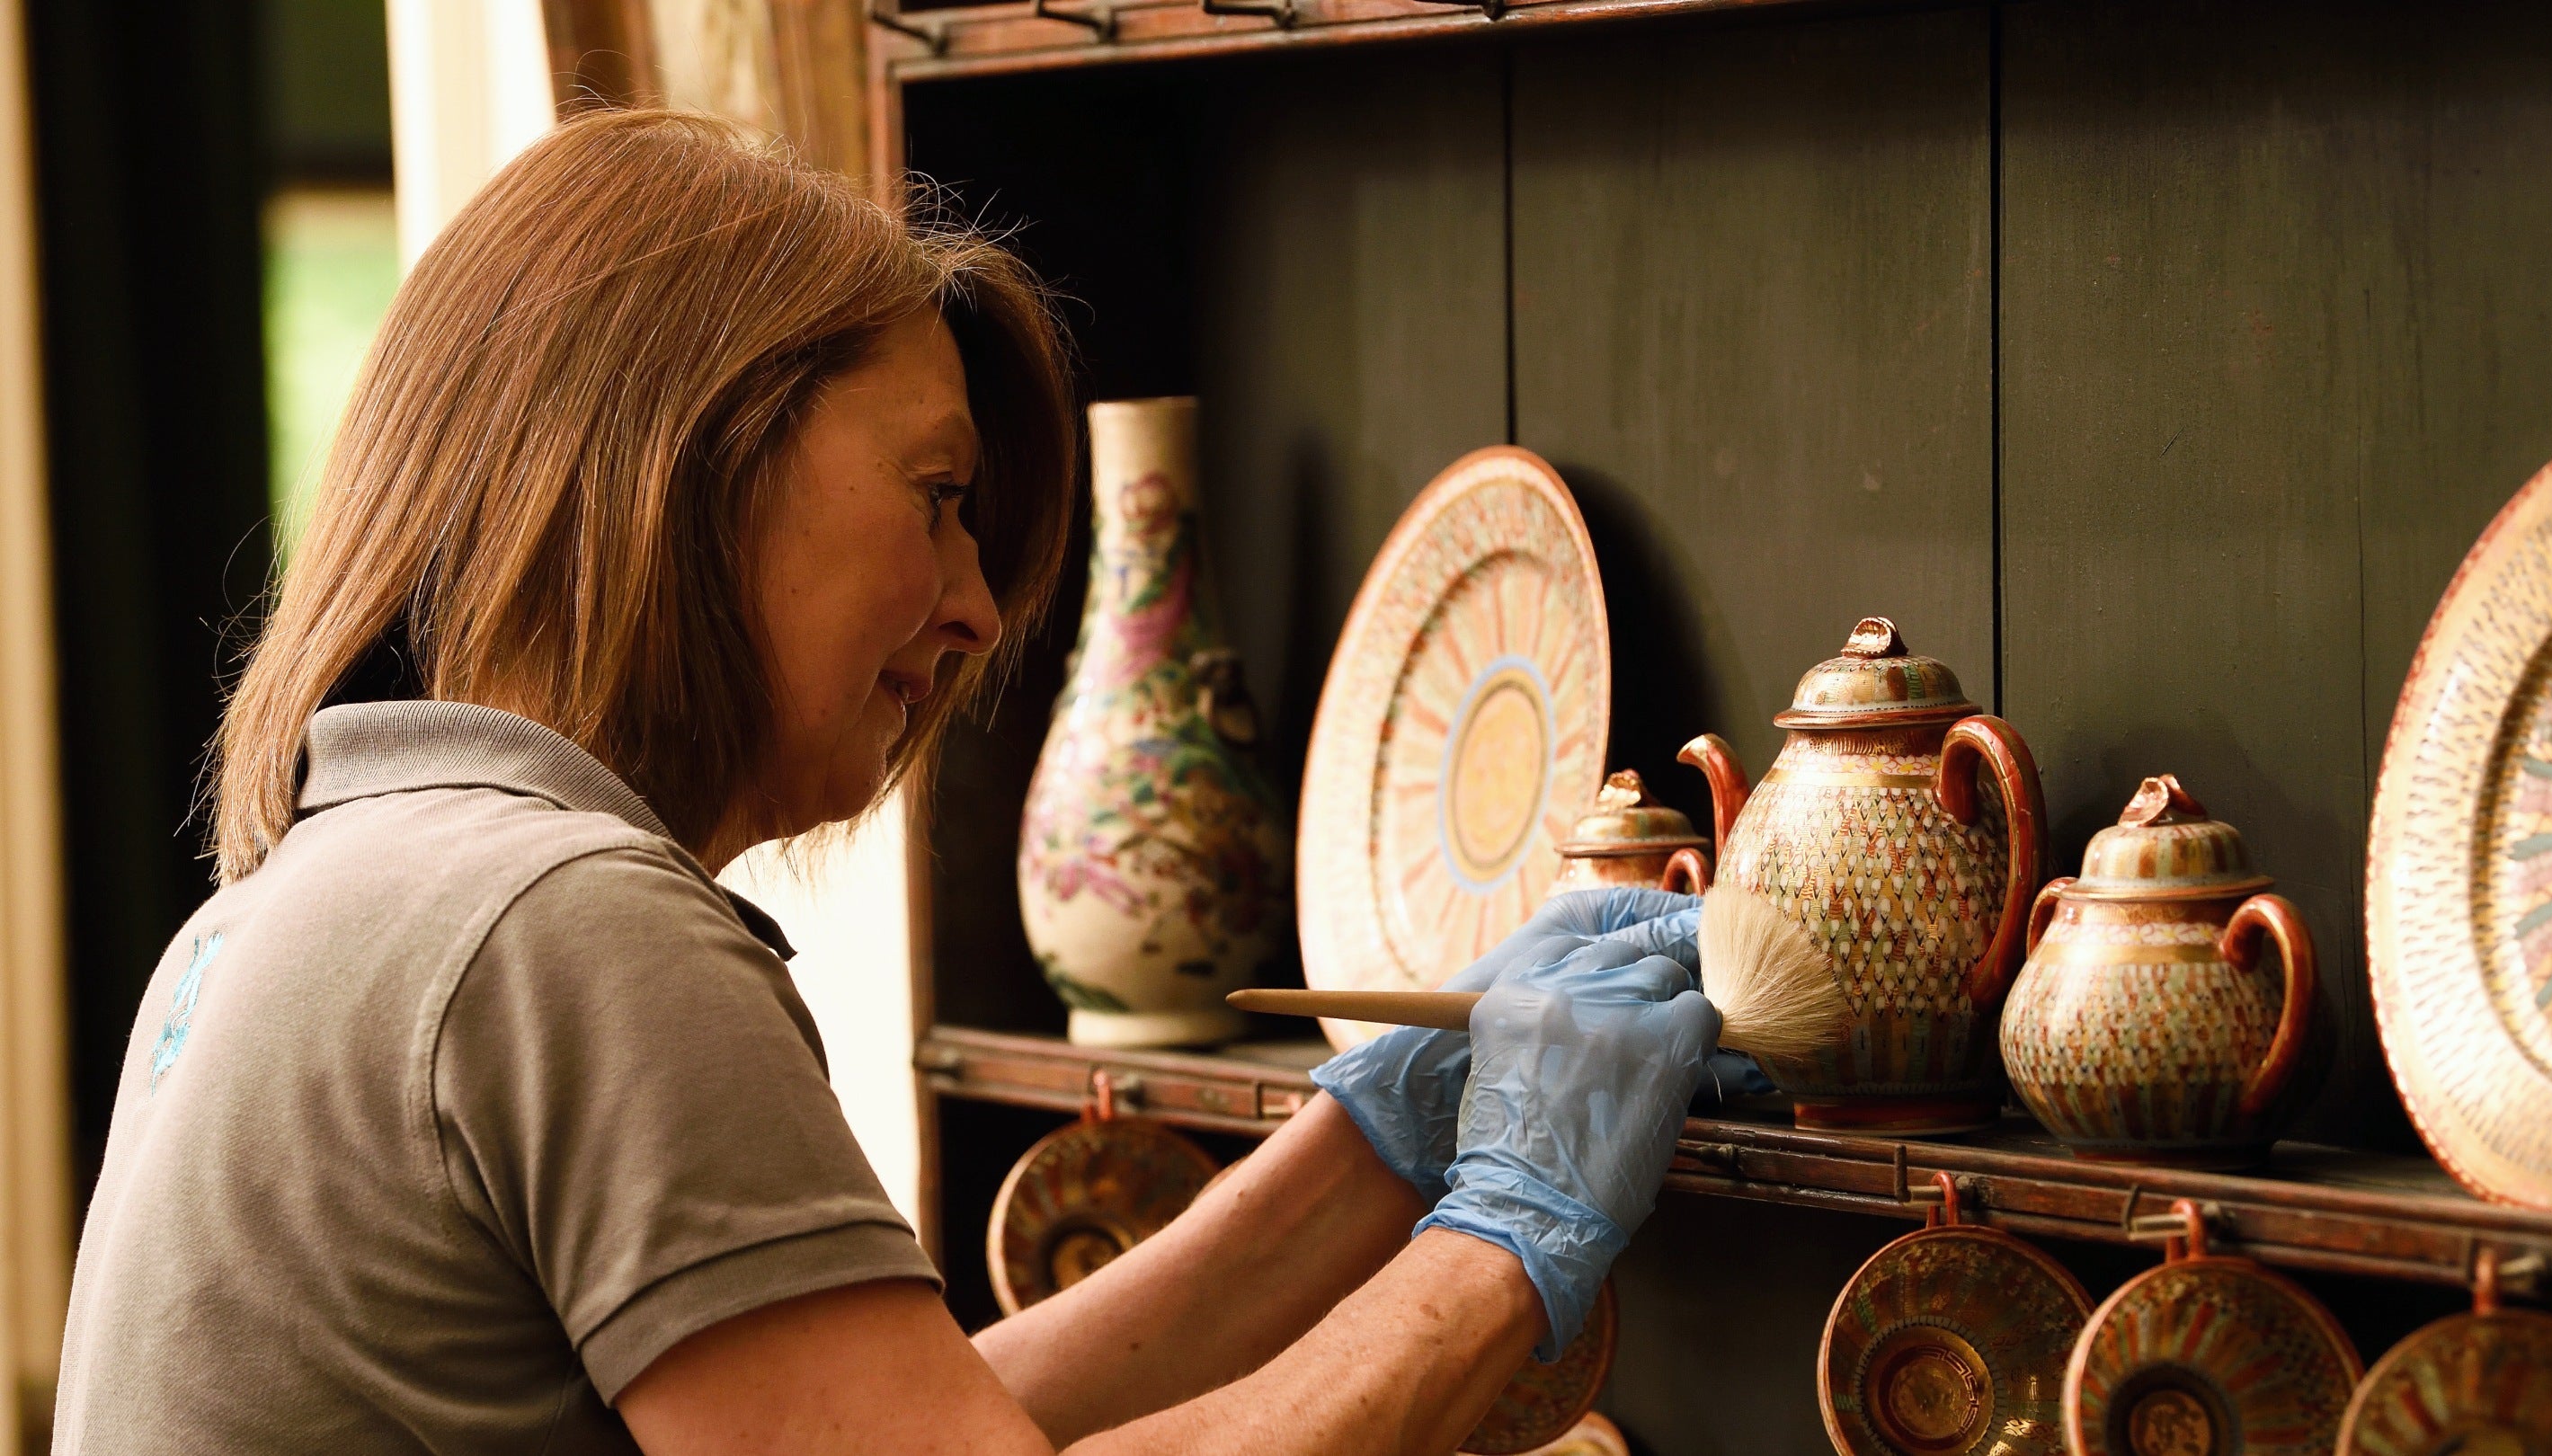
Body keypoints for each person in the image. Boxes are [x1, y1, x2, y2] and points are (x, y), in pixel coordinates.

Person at [51, 109, 1734, 1455]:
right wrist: (1508, 1238)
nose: (977, 608)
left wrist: (1381, 1138)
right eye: (936, 494)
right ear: (692, 458)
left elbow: (902, 1420)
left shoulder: (289, 912)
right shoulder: (557, 926)